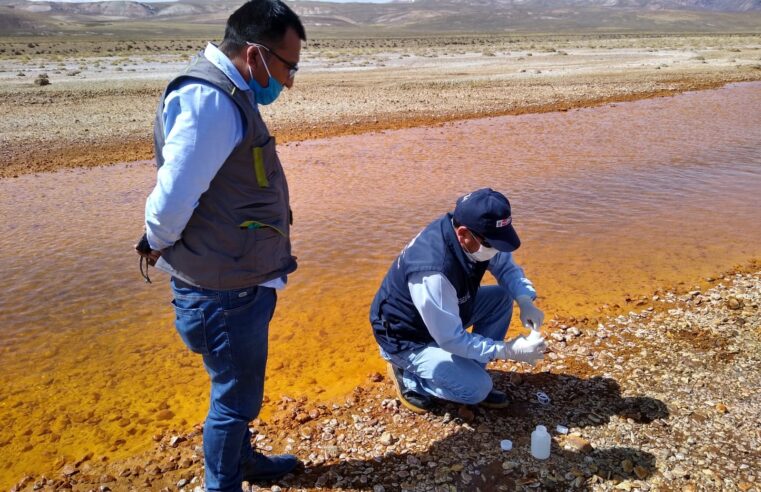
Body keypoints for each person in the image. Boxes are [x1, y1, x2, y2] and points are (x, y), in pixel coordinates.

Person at [137, 1, 306, 489]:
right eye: (288, 66)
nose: (290, 81)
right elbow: (172, 198)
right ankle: (223, 482)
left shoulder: (230, 90)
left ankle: (242, 463)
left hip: (232, 278)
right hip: (222, 290)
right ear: (254, 54)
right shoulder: (209, 101)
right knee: (233, 399)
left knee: (237, 389)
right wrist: (156, 241)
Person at [369, 188, 547, 413]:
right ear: (463, 234)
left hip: (440, 316)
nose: (496, 250)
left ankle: (466, 371)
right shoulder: (433, 272)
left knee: (502, 298)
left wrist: (524, 299)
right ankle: (409, 376)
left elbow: (505, 267)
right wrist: (508, 350)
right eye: (492, 244)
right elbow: (451, 339)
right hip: (406, 338)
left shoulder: (473, 236)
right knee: (476, 390)